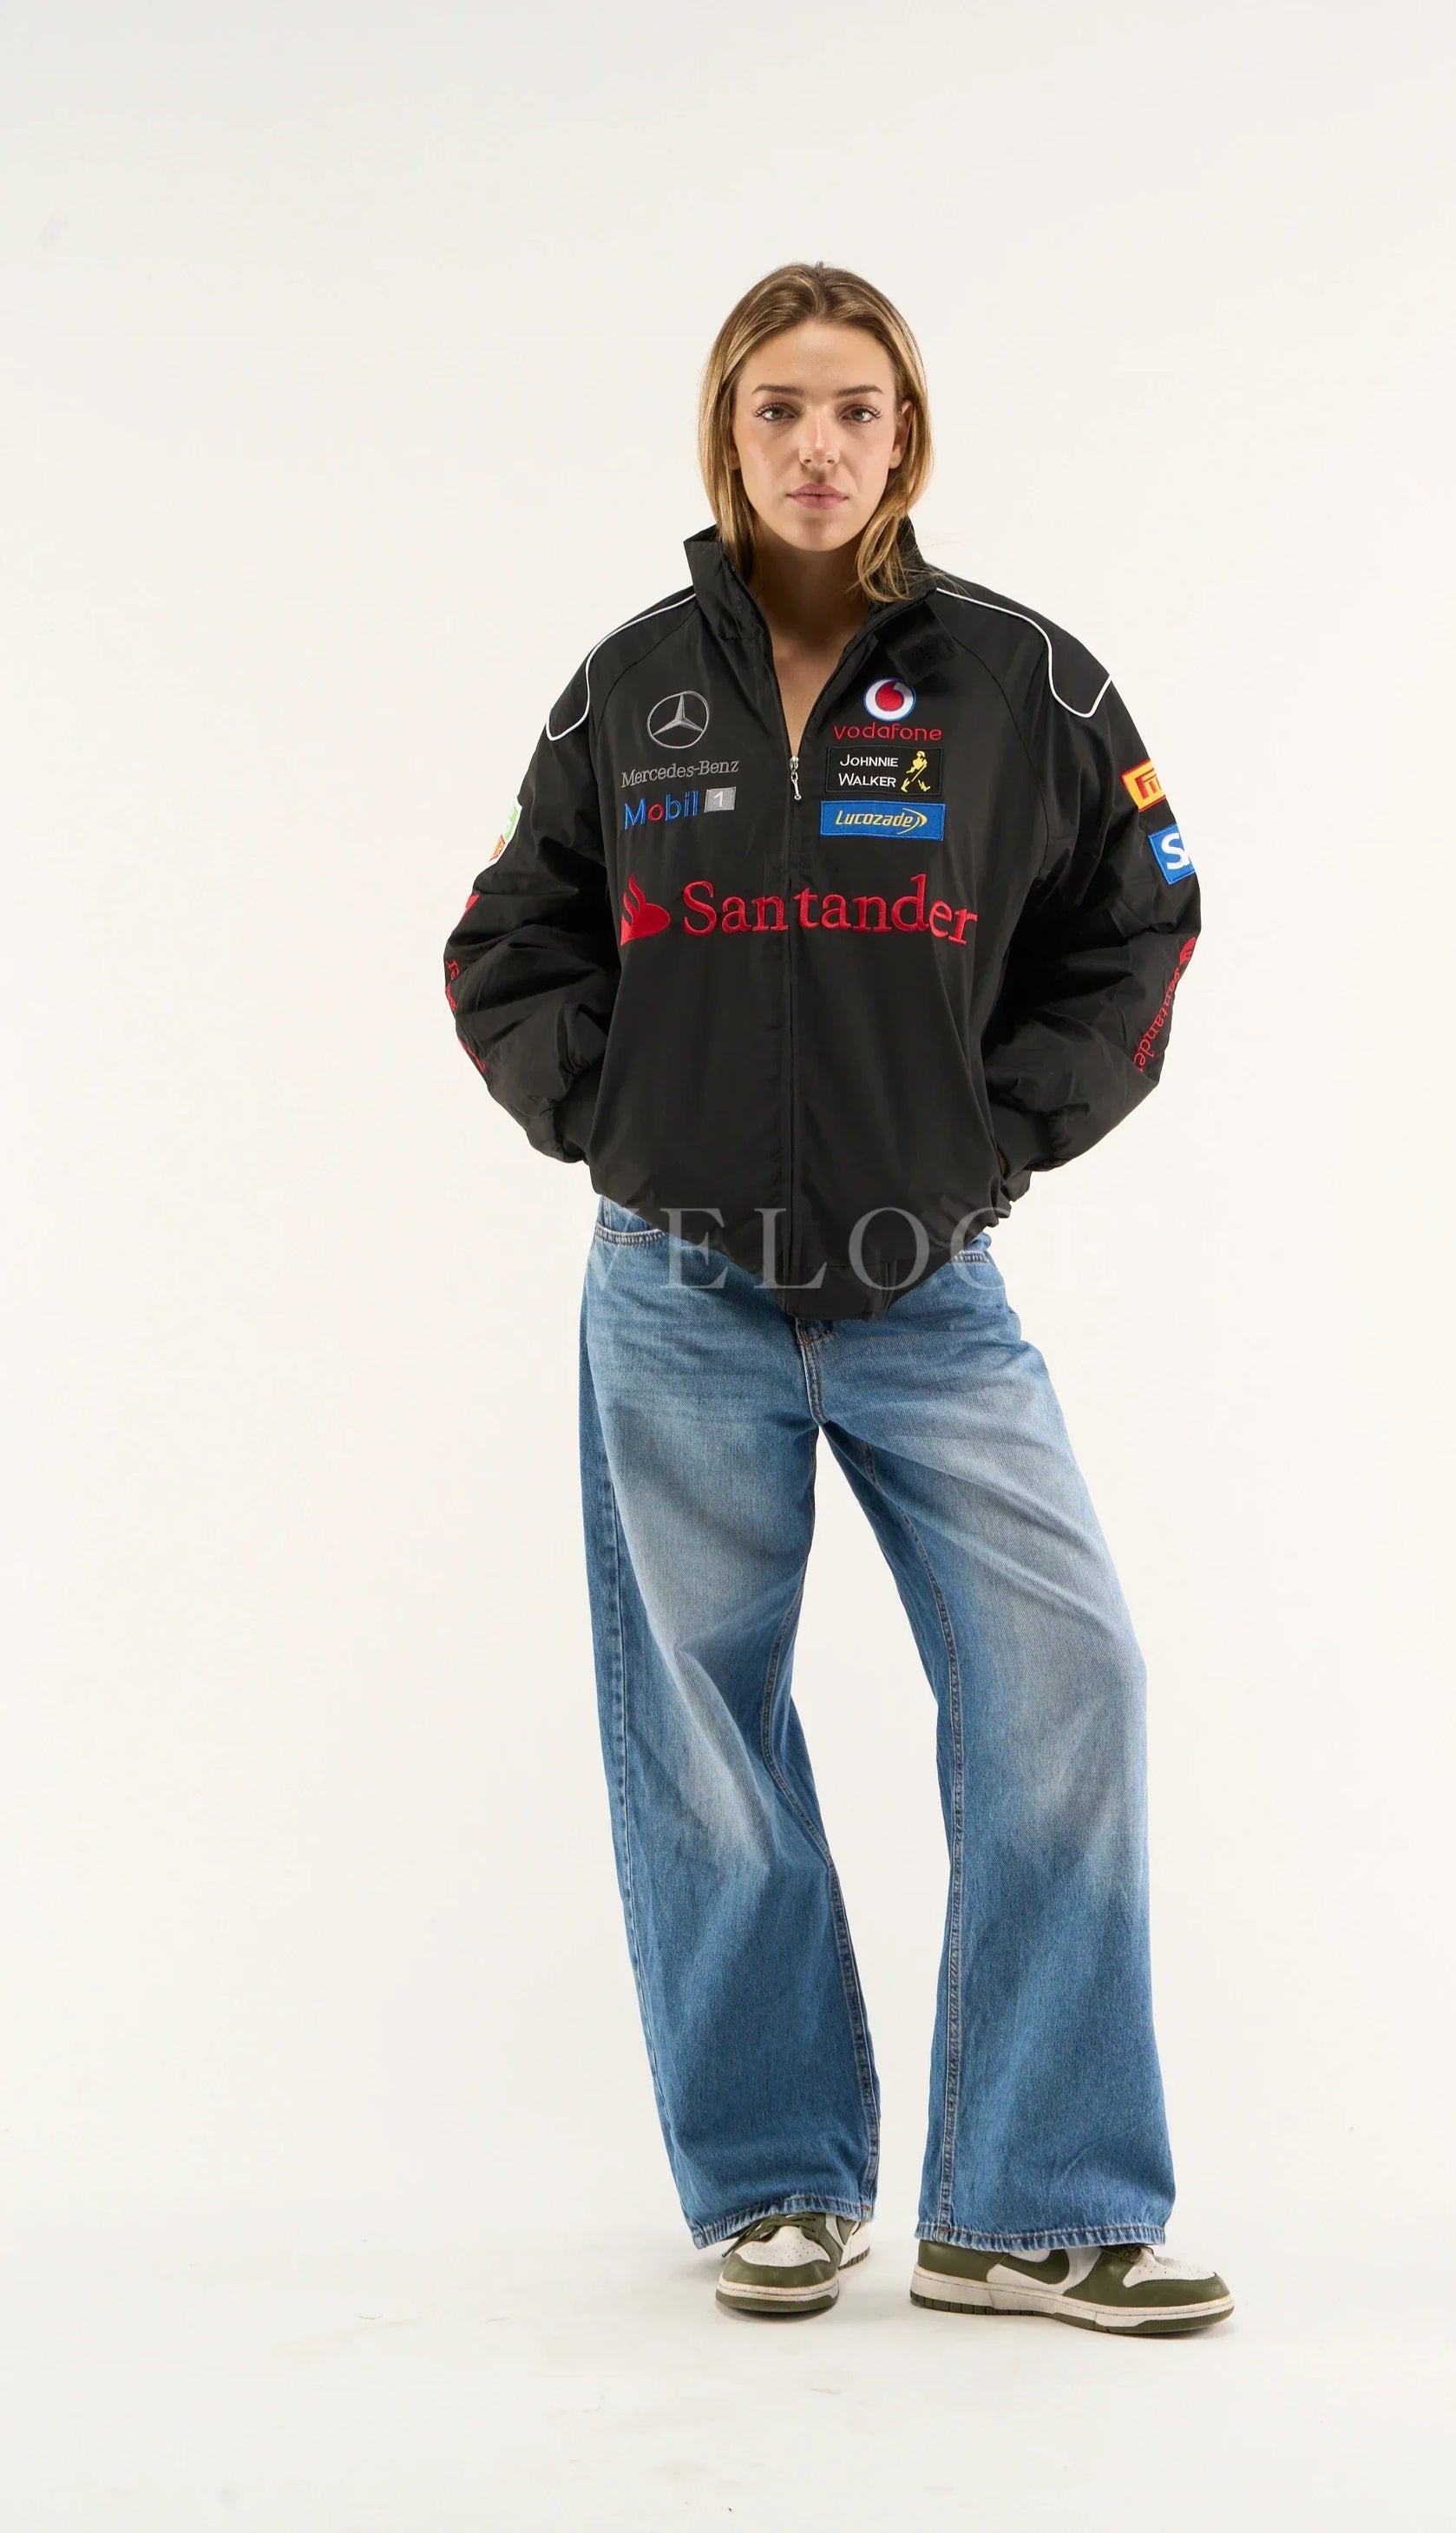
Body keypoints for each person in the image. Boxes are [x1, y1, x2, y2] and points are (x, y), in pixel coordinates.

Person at [442, 262, 1229, 2336]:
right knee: (701, 1733)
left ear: (908, 434)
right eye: (779, 407)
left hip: (926, 1290)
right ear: (729, 431)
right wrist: (614, 1119)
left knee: (1069, 1677)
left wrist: (989, 1137)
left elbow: (1141, 922)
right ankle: (778, 2179)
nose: (818, 444)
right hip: (674, 1290)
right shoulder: (628, 687)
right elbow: (509, 935)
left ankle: (1030, 2201)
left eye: (856, 408)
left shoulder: (1019, 679)